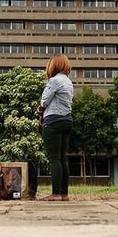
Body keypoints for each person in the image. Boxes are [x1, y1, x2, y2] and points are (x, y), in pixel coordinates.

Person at [38, 55, 74, 202]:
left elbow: (44, 100)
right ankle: (64, 193)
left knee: (54, 159)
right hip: (67, 120)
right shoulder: (68, 81)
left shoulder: (54, 80)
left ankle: (56, 193)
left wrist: (40, 111)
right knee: (62, 158)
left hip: (53, 121)